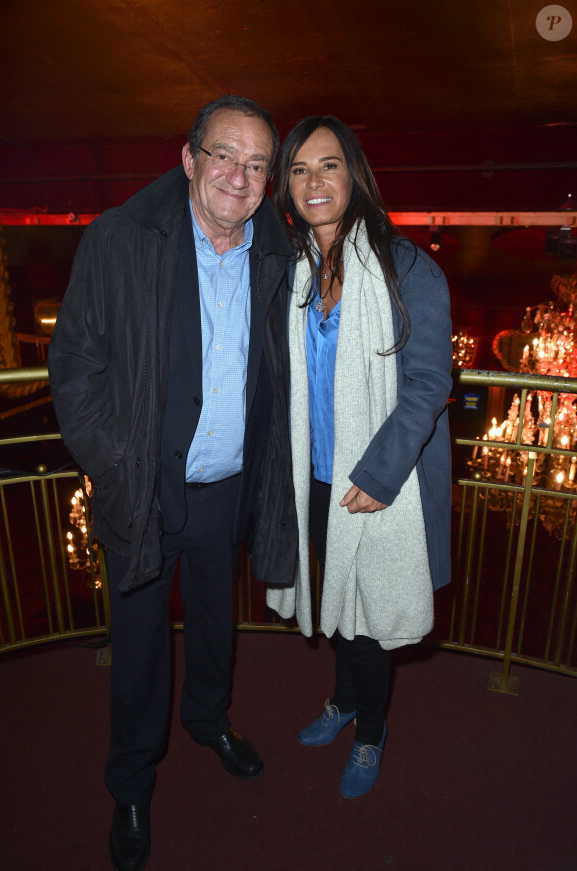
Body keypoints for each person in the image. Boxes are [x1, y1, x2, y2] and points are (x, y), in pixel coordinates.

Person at [48, 95, 296, 871]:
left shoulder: (275, 253)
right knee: (140, 643)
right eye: (223, 154)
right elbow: (75, 368)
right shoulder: (121, 239)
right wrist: (118, 465)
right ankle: (129, 782)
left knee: (217, 625)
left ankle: (209, 718)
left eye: (257, 164)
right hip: (142, 489)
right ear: (188, 160)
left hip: (225, 488)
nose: (239, 175)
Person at [266, 116, 452, 799]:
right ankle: (343, 700)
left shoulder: (407, 269)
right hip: (313, 479)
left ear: (355, 175)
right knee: (338, 603)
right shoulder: (295, 271)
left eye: (329, 165)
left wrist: (378, 474)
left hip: (380, 483)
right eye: (299, 169)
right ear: (286, 184)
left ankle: (371, 728)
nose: (315, 181)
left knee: (370, 620)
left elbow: (430, 383)